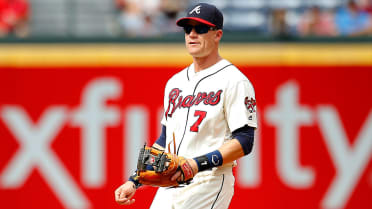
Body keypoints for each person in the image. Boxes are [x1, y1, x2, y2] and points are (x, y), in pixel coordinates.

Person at [115, 3, 257, 209]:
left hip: (209, 181)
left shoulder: (234, 81)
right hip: (170, 184)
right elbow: (164, 139)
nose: (192, 34)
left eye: (200, 29)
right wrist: (134, 180)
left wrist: (196, 164)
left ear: (217, 35)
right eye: (187, 29)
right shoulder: (175, 83)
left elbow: (245, 141)